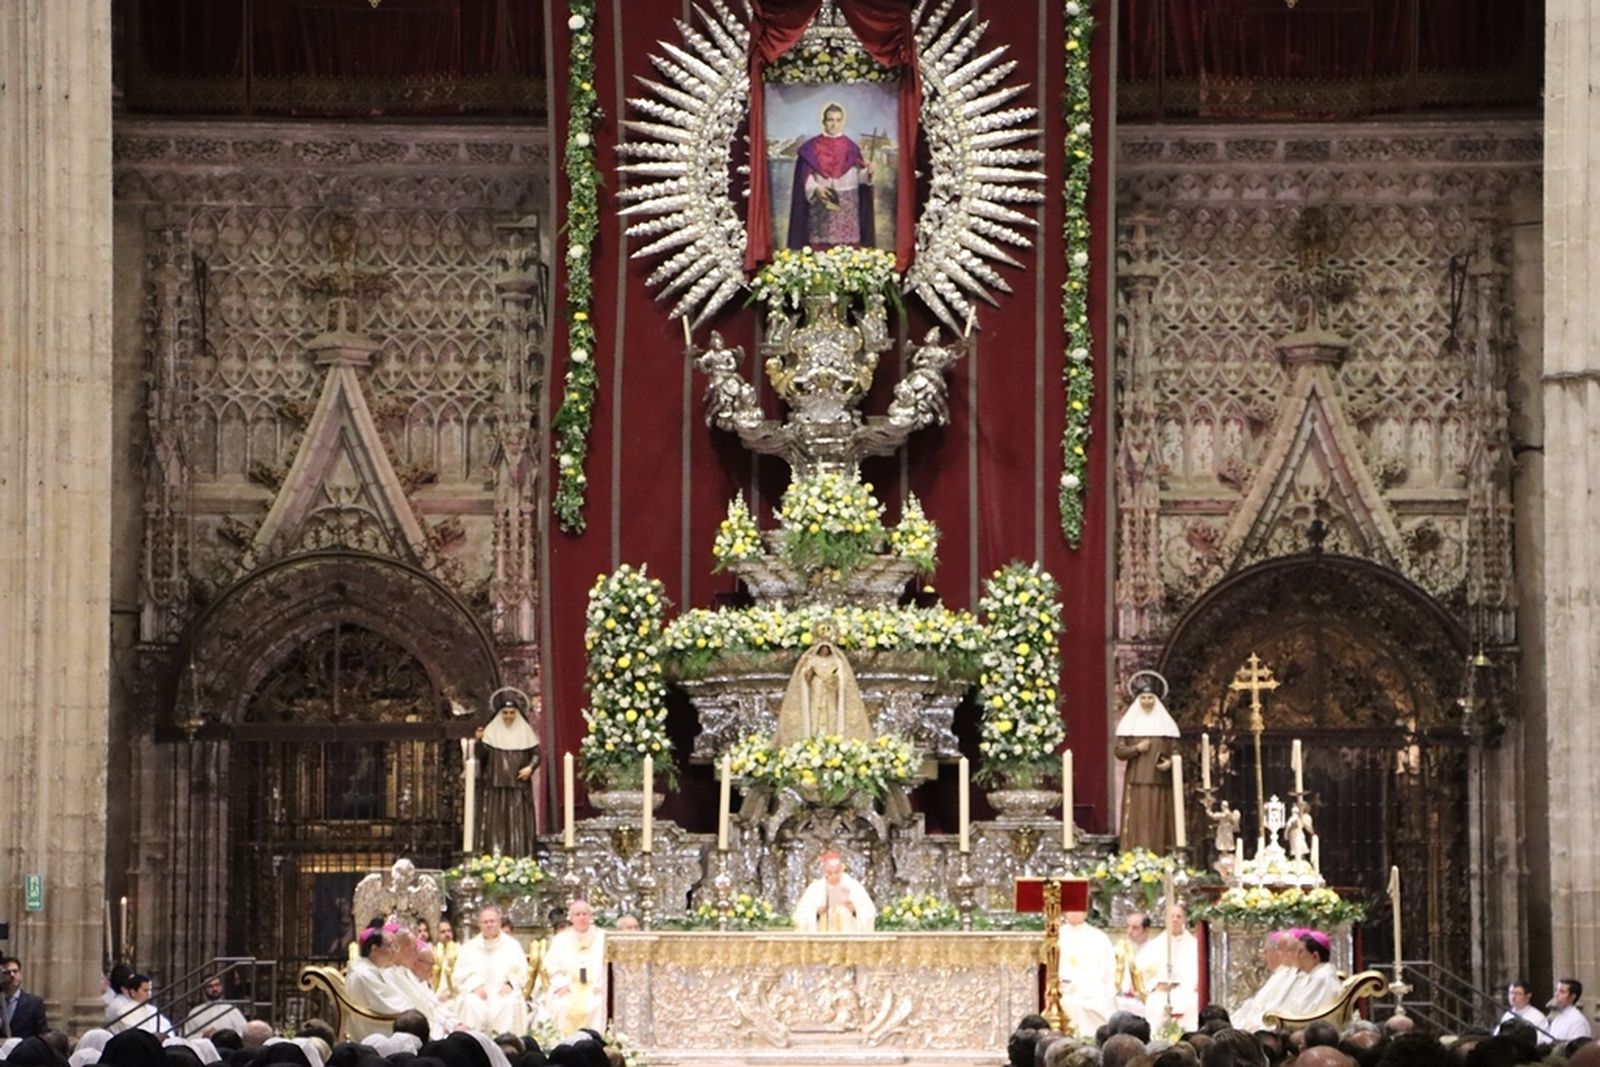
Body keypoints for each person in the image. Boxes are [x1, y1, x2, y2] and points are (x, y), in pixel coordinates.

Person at [786, 102, 875, 251]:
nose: (834, 124)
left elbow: (859, 177)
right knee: (820, 249)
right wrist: (815, 189)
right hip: (822, 201)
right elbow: (806, 176)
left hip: (848, 202)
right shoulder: (811, 147)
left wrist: (869, 173)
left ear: (843, 122)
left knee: (848, 251)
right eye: (830, 120)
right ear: (824, 122)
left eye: (838, 120)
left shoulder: (851, 147)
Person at [1115, 678, 1180, 853]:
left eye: (1150, 698)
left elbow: (1176, 752)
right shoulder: (1129, 724)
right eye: (1143, 698)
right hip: (1137, 781)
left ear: (1156, 700)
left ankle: (1160, 854)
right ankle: (1135, 856)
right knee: (1139, 821)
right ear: (1138, 700)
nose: (1147, 701)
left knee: (1158, 821)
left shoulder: (1167, 727)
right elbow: (1119, 752)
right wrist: (1137, 748)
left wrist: (1170, 762)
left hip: (1160, 782)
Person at [475, 695, 540, 856]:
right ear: (500, 714)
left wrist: (530, 768)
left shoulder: (525, 731)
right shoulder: (491, 732)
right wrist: (480, 741)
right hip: (496, 785)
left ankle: (520, 856)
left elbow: (537, 754)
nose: (508, 716)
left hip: (519, 786)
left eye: (512, 713)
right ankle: (496, 856)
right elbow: (481, 755)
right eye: (505, 713)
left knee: (518, 824)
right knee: (497, 823)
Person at [451, 905, 529, 1035]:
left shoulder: (512, 946)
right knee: (470, 1003)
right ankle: (473, 1045)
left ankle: (506, 1047)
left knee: (510, 1003)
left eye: (492, 921)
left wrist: (510, 984)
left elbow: (521, 971)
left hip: (502, 993)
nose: (489, 925)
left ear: (499, 923)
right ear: (479, 925)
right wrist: (474, 986)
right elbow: (460, 974)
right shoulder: (469, 947)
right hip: (478, 994)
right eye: (485, 922)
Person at [776, 642, 871, 746]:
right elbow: (805, 675)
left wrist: (835, 679)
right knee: (815, 711)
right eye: (822, 649)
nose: (824, 651)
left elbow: (843, 676)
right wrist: (809, 674)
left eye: (826, 649)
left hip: (830, 690)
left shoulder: (836, 661)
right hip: (816, 688)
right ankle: (814, 735)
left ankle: (831, 737)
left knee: (831, 712)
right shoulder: (812, 660)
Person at [542, 899, 606, 1040]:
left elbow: (610, 965)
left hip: (596, 987)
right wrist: (562, 984)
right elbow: (551, 966)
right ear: (571, 918)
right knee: (562, 1004)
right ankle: (564, 1045)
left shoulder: (603, 937)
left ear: (591, 916)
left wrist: (602, 985)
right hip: (568, 986)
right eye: (577, 914)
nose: (582, 917)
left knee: (598, 1004)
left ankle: (595, 1045)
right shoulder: (561, 939)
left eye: (585, 914)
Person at [343, 923, 413, 1041]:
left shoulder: (374, 970)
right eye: (390, 946)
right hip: (374, 1030)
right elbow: (387, 1007)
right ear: (374, 949)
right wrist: (414, 1014)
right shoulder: (363, 974)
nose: (394, 951)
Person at [1138, 901, 1200, 1030]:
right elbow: (1142, 970)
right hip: (1160, 993)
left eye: (1179, 916)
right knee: (1155, 1004)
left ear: (1185, 919)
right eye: (1171, 916)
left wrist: (1186, 988)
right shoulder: (1154, 946)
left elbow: (1198, 973)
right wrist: (1155, 984)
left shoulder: (1194, 945)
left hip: (1186, 993)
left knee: (1192, 1004)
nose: (1175, 920)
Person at [1058, 907, 1116, 1033]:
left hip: (1091, 991)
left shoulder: (1099, 938)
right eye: (1071, 907)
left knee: (1090, 1003)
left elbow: (1106, 972)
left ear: (1086, 911)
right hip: (1060, 991)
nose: (1074, 912)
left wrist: (1078, 984)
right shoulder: (1056, 936)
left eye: (1078, 908)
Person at [1230, 930, 1300, 1032]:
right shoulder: (1281, 974)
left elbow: (1273, 1009)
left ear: (1277, 952)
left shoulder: (1289, 976)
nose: (1264, 957)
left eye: (1266, 952)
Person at [791, 850, 877, 932]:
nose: (834, 876)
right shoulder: (815, 889)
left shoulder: (854, 887)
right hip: (822, 942)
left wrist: (853, 909)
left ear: (842, 869)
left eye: (837, 872)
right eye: (830, 873)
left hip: (848, 942)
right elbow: (799, 918)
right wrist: (817, 913)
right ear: (824, 871)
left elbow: (869, 915)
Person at [1270, 930, 1342, 1022]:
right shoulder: (1313, 976)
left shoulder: (1323, 978)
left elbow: (1303, 1013)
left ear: (1315, 956)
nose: (1296, 956)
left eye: (1300, 952)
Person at [180, 975, 245, 1038]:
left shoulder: (231, 1010)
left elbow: (243, 1032)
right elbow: (185, 1036)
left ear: (221, 987)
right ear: (204, 989)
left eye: (217, 985)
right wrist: (202, 1036)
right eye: (210, 986)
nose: (214, 989)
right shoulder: (195, 1012)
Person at [1113, 912, 1152, 1016]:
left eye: (1135, 928)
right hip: (1121, 1001)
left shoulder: (1155, 951)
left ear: (1146, 929)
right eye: (1128, 927)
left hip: (1144, 1003)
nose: (1129, 931)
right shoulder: (1119, 949)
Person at [0, 957, 47, 1039]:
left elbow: (42, 1036)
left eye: (15, 971)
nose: (12, 975)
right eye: (7, 972)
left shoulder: (34, 1003)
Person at [431, 919, 460, 998]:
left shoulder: (460, 950)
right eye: (443, 932)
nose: (447, 934)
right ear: (437, 935)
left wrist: (448, 994)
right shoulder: (433, 952)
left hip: (455, 995)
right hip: (436, 995)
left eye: (449, 931)